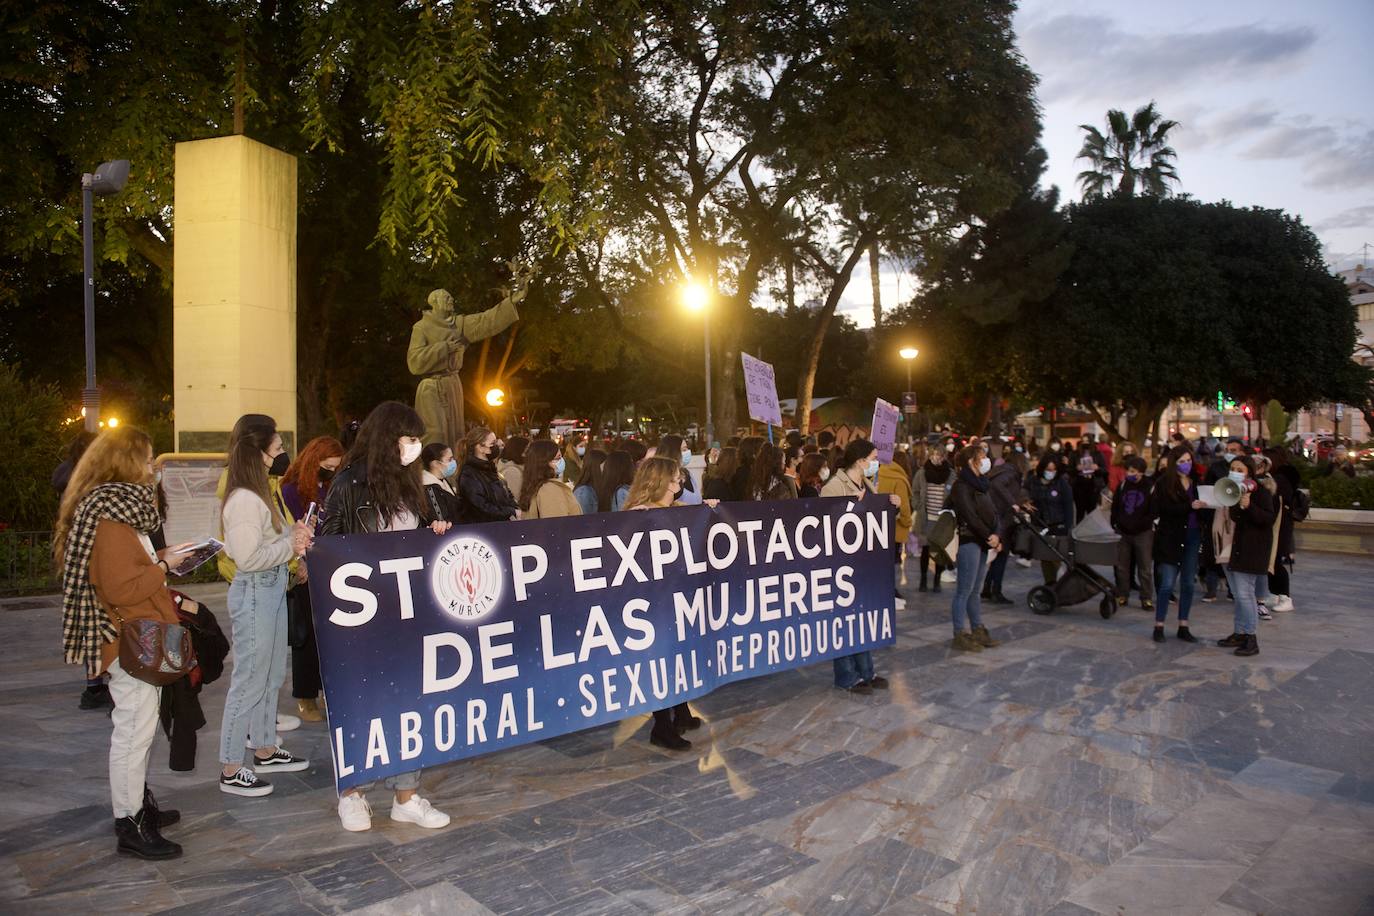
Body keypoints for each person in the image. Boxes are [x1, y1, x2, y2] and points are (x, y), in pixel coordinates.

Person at [55, 426, 196, 859]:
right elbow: (121, 588)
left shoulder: (114, 508)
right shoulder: (111, 518)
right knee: (134, 732)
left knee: (138, 729)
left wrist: (162, 562)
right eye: (149, 458)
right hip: (128, 639)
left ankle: (137, 807)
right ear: (127, 463)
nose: (154, 467)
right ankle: (130, 823)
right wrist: (163, 565)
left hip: (129, 635)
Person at [322, 401, 454, 831]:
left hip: (408, 610)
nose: (416, 446)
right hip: (360, 615)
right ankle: (353, 792)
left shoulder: (412, 484)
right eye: (410, 438)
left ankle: (406, 794)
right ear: (388, 439)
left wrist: (435, 532)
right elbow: (328, 547)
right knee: (361, 700)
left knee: (409, 700)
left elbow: (420, 535)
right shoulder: (347, 484)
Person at [218, 415, 314, 798]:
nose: (280, 455)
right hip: (256, 589)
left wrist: (293, 535)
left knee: (271, 675)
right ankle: (230, 765)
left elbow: (271, 541)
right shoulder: (243, 499)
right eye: (275, 449)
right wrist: (288, 545)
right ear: (257, 452)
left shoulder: (261, 493)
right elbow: (247, 556)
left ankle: (264, 747)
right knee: (248, 681)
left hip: (272, 588)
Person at [622, 457, 713, 749]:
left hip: (676, 596)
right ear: (659, 481)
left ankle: (681, 712)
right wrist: (631, 521)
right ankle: (661, 725)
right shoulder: (640, 515)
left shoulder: (673, 510)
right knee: (661, 659)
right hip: (653, 603)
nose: (680, 484)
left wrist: (709, 509)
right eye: (675, 480)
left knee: (679, 654)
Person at [821, 438, 897, 694]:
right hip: (841, 565)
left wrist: (889, 506)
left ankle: (866, 671)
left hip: (861, 563)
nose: (875, 463)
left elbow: (874, 518)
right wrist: (854, 506)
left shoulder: (865, 483)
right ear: (860, 460)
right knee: (843, 621)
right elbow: (827, 524)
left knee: (860, 619)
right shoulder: (834, 486)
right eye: (873, 458)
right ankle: (846, 675)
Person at [279, 435, 345, 721]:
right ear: (314, 460)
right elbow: (289, 528)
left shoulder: (331, 487)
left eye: (335, 467)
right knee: (306, 636)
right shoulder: (291, 490)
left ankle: (327, 690)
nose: (331, 471)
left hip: (328, 566)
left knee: (329, 634)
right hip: (303, 567)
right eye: (328, 465)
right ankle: (305, 695)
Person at [1216, 455, 1275, 657]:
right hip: (1239, 549)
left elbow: (1267, 519)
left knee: (1245, 595)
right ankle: (1240, 632)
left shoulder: (1262, 493)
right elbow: (1236, 517)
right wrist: (1240, 506)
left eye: (1240, 469)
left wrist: (1249, 505)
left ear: (1249, 471)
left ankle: (1251, 637)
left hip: (1253, 551)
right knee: (1238, 596)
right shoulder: (1233, 491)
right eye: (1232, 468)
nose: (1235, 472)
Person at [948, 444, 1000, 652]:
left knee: (975, 590)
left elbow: (992, 512)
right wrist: (989, 535)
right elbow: (970, 516)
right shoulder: (961, 486)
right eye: (982, 457)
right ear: (971, 461)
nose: (986, 460)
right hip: (969, 540)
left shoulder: (982, 484)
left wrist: (996, 533)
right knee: (964, 590)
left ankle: (978, 628)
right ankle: (959, 633)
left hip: (983, 541)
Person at [1150, 446, 1203, 643]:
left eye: (1188, 460)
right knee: (1167, 584)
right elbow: (1163, 509)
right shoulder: (1164, 483)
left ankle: (1183, 624)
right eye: (1181, 461)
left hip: (1192, 535)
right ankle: (1159, 624)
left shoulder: (1195, 483)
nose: (1186, 464)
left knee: (1188, 583)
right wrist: (1188, 506)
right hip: (1171, 537)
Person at [1110, 455, 1155, 611]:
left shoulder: (1150, 486)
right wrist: (1115, 523)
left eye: (1133, 471)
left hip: (1143, 532)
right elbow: (1115, 506)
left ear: (1141, 472)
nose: (1130, 473)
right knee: (1122, 566)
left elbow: (1153, 511)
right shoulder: (1123, 486)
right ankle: (1123, 594)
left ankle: (1146, 598)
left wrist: (1143, 524)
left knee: (1145, 567)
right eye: (1128, 470)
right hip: (1123, 531)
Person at [983, 450, 1028, 606]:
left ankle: (987, 588)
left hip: (997, 517)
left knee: (998, 555)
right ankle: (996, 591)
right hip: (1002, 520)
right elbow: (999, 486)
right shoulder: (1010, 472)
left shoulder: (1003, 470)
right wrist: (1012, 503)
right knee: (1001, 556)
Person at [1025, 454, 1075, 585]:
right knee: (1045, 556)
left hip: (1058, 524)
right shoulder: (1033, 481)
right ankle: (1050, 583)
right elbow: (1024, 492)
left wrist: (1068, 526)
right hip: (1041, 524)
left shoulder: (1061, 483)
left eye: (1053, 470)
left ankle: (1058, 582)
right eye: (1048, 469)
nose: (1050, 473)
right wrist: (1024, 501)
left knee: (1056, 555)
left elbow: (1068, 505)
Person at [456, 426, 518, 523]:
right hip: (483, 529)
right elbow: (481, 506)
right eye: (492, 444)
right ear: (480, 448)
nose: (496, 447)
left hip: (500, 525)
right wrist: (511, 511)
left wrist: (515, 508)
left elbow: (506, 495)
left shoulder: (490, 469)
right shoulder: (469, 474)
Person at [1263, 447, 1299, 612]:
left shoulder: (1280, 480)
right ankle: (1275, 594)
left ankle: (1285, 597)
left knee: (1276, 562)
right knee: (1270, 561)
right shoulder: (1277, 479)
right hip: (1277, 526)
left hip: (1280, 527)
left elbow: (1277, 504)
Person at [875, 451, 913, 602]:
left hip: (880, 527)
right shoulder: (900, 480)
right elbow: (904, 507)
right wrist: (907, 522)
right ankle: (891, 591)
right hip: (896, 530)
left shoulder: (880, 474)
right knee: (894, 563)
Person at [913, 447, 953, 592]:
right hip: (926, 519)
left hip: (942, 521)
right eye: (933, 454)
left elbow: (954, 494)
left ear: (944, 457)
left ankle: (937, 579)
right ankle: (923, 579)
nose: (936, 457)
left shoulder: (950, 474)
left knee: (939, 552)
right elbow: (915, 492)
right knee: (925, 550)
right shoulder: (922, 473)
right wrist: (917, 505)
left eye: (939, 455)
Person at [520, 440, 582, 518]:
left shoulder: (536, 485)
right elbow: (557, 525)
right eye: (558, 458)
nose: (562, 461)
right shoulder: (550, 489)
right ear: (543, 462)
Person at [419, 441, 462, 522]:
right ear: (435, 464)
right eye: (449, 459)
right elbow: (440, 520)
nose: (453, 462)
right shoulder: (430, 488)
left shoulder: (443, 481)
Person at [658, 434, 702, 505]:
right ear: (673, 452)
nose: (688, 451)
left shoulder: (688, 474)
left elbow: (697, 501)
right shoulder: (663, 478)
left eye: (687, 449)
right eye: (684, 450)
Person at [572, 448, 608, 515]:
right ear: (595, 467)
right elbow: (584, 521)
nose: (607, 469)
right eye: (605, 465)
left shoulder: (596, 488)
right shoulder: (583, 492)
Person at [498, 436, 529, 500]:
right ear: (520, 450)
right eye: (528, 448)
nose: (531, 451)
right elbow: (515, 499)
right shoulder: (512, 472)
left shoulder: (515, 468)